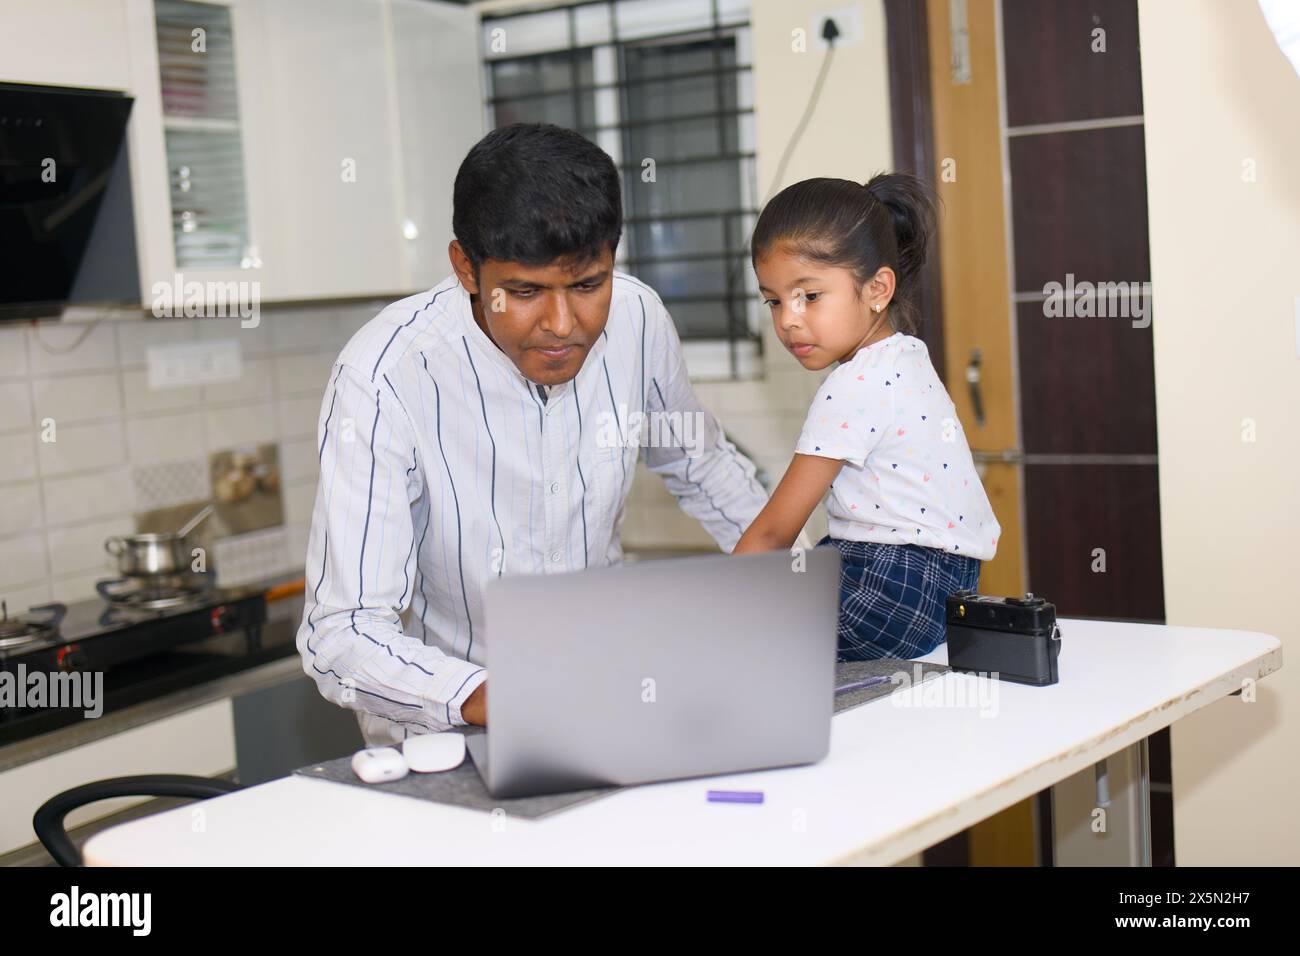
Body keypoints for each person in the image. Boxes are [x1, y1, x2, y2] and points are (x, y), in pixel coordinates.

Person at [297, 124, 768, 744]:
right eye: (524, 292)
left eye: (588, 284)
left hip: (607, 707)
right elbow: (343, 631)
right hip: (453, 735)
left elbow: (704, 468)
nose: (562, 325)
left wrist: (797, 589)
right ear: (466, 268)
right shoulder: (385, 376)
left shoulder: (637, 319)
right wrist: (501, 697)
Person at [733, 173, 1001, 660]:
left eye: (809, 296)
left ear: (877, 288)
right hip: (949, 587)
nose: (788, 319)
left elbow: (774, 532)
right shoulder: (906, 358)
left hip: (890, 588)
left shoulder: (852, 385)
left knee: (728, 639)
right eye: (773, 300)